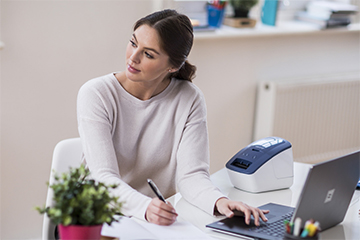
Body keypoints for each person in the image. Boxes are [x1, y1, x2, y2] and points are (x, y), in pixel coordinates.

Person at [77, 9, 269, 227]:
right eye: (133, 43)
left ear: (173, 66)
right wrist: (144, 208)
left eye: (148, 54)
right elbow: (103, 177)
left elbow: (191, 176)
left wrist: (220, 202)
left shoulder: (189, 98)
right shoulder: (97, 94)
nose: (133, 57)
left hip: (153, 221)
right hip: (95, 217)